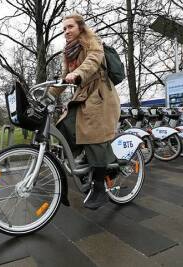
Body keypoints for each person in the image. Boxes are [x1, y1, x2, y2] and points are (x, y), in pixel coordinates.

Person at [50, 12, 121, 209]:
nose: (66, 31)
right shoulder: (69, 51)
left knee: (93, 137)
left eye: (70, 27)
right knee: (64, 125)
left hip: (101, 95)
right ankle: (86, 167)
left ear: (80, 27)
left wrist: (77, 73)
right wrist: (47, 95)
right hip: (84, 96)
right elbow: (64, 78)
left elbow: (93, 60)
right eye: (64, 28)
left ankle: (99, 187)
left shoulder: (92, 41)